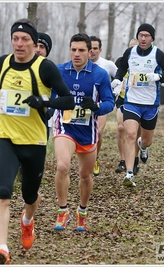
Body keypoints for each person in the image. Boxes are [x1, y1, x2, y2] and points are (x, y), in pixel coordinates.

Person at [0, 18, 75, 264]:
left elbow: (68, 101)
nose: (19, 43)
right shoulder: (3, 63)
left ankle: (27, 221)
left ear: (33, 42)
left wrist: (44, 102)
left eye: (25, 39)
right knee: (3, 191)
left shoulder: (45, 68)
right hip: (6, 138)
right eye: (15, 39)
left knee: (30, 195)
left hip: (35, 142)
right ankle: (3, 248)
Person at [52, 33, 114, 231]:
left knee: (85, 176)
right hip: (65, 127)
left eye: (81, 50)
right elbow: (52, 99)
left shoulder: (100, 74)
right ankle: (63, 211)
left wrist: (95, 107)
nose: (76, 54)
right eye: (73, 50)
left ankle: (82, 211)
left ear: (90, 52)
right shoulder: (60, 71)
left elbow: (109, 103)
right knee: (62, 166)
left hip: (88, 131)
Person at [112, 23, 164, 187]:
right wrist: (118, 80)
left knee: (146, 140)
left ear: (152, 38)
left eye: (147, 35)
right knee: (130, 134)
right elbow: (122, 67)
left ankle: (143, 147)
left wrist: (157, 77)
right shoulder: (130, 52)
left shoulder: (158, 55)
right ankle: (129, 173)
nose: (143, 38)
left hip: (150, 104)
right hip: (132, 101)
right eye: (141, 35)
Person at [89, 35, 118, 176]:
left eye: (95, 48)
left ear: (100, 50)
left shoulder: (108, 65)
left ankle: (95, 158)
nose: (92, 51)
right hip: (82, 105)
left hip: (100, 104)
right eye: (90, 48)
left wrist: (114, 91)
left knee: (98, 132)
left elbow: (121, 77)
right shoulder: (79, 63)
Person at [112, 38, 141, 174]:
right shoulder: (121, 61)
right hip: (123, 99)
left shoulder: (144, 64)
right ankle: (123, 160)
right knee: (121, 128)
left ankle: (135, 159)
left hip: (139, 100)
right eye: (130, 47)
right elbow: (117, 77)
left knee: (135, 133)